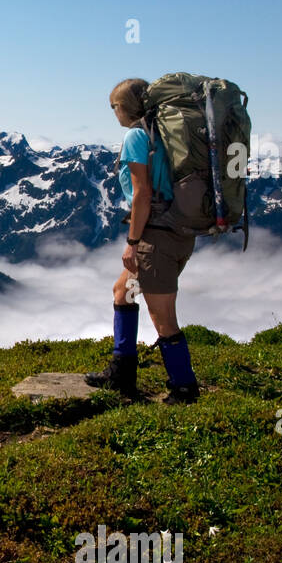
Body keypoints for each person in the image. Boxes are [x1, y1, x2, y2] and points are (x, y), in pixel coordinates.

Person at [85, 78, 200, 404]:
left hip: (155, 240)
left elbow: (142, 195)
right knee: (123, 292)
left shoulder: (137, 136)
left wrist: (132, 242)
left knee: (162, 317)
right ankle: (121, 373)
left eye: (114, 106)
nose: (114, 112)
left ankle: (184, 389)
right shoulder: (165, 133)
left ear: (127, 107)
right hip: (177, 233)